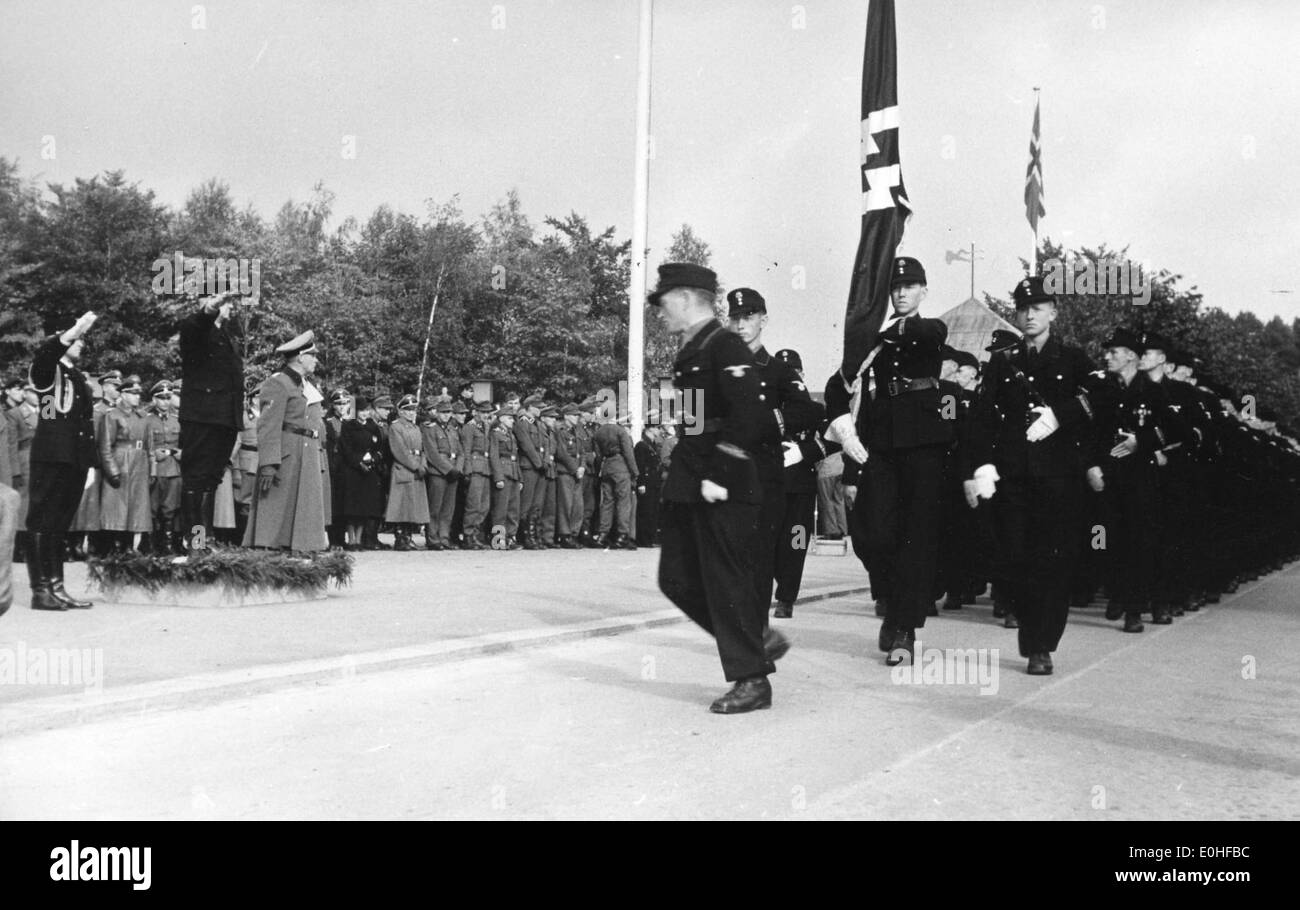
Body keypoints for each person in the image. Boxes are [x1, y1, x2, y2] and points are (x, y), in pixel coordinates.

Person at [649, 262, 785, 714]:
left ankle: (752, 679)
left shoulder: (724, 344)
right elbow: (693, 420)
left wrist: (718, 475)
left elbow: (751, 415)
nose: (661, 311)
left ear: (686, 298)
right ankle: (757, 639)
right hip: (691, 472)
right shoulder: (693, 348)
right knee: (675, 578)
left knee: (724, 580)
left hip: (722, 479)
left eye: (665, 301)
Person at [963, 277, 1097, 675]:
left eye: (1038, 307)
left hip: (1058, 479)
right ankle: (1030, 629)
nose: (1030, 314)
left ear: (1053, 312)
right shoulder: (1004, 363)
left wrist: (1061, 414)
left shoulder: (1073, 359)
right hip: (1014, 477)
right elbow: (982, 419)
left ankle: (1041, 645)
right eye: (1023, 308)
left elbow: (1102, 399)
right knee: (1013, 558)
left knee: (1052, 563)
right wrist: (981, 464)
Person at [824, 257, 954, 665]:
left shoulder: (929, 330)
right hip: (880, 444)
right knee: (870, 532)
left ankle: (903, 628)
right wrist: (845, 431)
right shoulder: (874, 344)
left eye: (910, 286)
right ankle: (888, 595)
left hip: (923, 445)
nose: (900, 293)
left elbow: (924, 332)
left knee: (915, 538)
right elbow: (837, 386)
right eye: (895, 287)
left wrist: (873, 333)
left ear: (923, 292)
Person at [725, 289, 825, 621]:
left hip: (767, 476)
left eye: (748, 318)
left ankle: (756, 626)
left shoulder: (779, 372)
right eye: (735, 318)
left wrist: (770, 422)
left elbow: (806, 412)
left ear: (762, 321)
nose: (741, 325)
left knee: (763, 552)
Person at [1085, 327, 1186, 633]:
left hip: (1141, 478)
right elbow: (1089, 433)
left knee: (1139, 541)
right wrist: (1091, 466)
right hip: (1107, 476)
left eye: (1113, 352)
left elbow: (1178, 431)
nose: (1107, 357)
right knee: (1107, 538)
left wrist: (1140, 441)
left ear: (1130, 355)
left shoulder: (1154, 392)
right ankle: (1116, 592)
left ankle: (1134, 609)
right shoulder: (1100, 390)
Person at [25, 311, 100, 610]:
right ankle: (41, 590)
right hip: (51, 455)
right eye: (77, 339)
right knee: (42, 521)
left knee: (59, 523)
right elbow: (45, 352)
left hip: (73, 457)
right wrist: (73, 330)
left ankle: (57, 587)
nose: (81, 344)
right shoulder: (46, 368)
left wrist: (89, 463)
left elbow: (85, 421)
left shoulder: (76, 375)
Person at [243, 331, 328, 552]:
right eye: (313, 355)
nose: (316, 360)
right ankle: (271, 551)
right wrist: (269, 463)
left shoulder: (304, 384)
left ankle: (300, 550)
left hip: (306, 452)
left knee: (303, 508)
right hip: (287, 454)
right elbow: (268, 426)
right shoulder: (278, 383)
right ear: (300, 357)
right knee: (277, 510)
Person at [179, 292, 245, 547]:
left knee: (211, 480)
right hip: (202, 418)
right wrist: (208, 309)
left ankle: (206, 538)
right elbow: (194, 326)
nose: (230, 309)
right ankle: (195, 541)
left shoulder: (226, 337)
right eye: (226, 304)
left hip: (224, 418)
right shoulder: (196, 331)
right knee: (196, 480)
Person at [769, 348, 828, 618]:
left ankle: (786, 597)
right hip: (768, 485)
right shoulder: (765, 408)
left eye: (793, 372)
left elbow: (833, 439)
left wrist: (803, 452)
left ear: (802, 375)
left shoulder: (816, 410)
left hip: (801, 488)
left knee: (796, 542)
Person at [98, 377, 154, 552]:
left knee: (136, 507)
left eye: (139, 394)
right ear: (123, 394)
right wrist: (112, 471)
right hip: (120, 461)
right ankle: (115, 546)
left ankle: (129, 544)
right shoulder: (112, 415)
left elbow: (150, 446)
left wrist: (153, 471)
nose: (137, 397)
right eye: (133, 393)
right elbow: (105, 446)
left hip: (139, 463)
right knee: (117, 507)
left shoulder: (143, 417)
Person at [338, 395, 387, 549]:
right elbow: (346, 448)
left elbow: (379, 447)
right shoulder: (348, 425)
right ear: (355, 411)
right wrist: (359, 462)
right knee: (352, 508)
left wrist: (373, 460)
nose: (365, 413)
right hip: (353, 471)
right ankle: (351, 539)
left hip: (369, 471)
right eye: (361, 411)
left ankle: (359, 539)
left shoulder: (372, 425)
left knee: (365, 508)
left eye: (367, 410)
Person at [385, 394, 431, 550]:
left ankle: (409, 536)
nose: (412, 413)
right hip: (404, 469)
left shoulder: (416, 427)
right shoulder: (396, 427)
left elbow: (422, 449)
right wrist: (415, 465)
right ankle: (400, 537)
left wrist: (423, 465)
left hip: (417, 469)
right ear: (401, 412)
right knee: (402, 506)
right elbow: (400, 451)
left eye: (413, 410)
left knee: (414, 507)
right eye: (408, 410)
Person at [144, 380, 183, 553]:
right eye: (161, 398)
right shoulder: (147, 420)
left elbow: (184, 444)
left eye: (168, 398)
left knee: (170, 509)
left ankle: (167, 544)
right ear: (154, 399)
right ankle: (150, 544)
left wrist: (178, 452)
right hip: (156, 468)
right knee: (152, 508)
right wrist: (154, 455)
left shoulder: (177, 420)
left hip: (174, 468)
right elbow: (145, 445)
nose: (165, 402)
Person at [422, 398, 462, 550]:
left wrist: (457, 469)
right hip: (438, 473)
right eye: (443, 412)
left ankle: (444, 538)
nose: (446, 415)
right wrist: (448, 469)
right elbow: (432, 453)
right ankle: (433, 538)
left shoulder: (453, 429)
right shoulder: (430, 428)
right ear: (437, 413)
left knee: (448, 509)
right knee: (435, 508)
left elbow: (460, 452)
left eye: (448, 412)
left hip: (453, 471)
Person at [459, 401, 495, 550]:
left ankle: (475, 533)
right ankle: (468, 535)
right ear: (476, 412)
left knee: (484, 506)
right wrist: (467, 470)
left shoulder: (486, 427)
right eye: (483, 412)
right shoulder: (469, 427)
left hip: (485, 468)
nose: (486, 415)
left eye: (488, 413)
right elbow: (466, 450)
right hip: (475, 468)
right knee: (473, 505)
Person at [489, 402, 524, 550]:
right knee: (500, 509)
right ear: (502, 418)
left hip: (513, 472)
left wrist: (520, 477)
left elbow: (515, 457)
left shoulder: (511, 434)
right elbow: (494, 456)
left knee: (513, 509)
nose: (513, 421)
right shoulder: (495, 434)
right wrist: (498, 477)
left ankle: (511, 537)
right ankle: (498, 539)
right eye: (510, 418)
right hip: (503, 472)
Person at [513, 395, 547, 549]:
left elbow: (545, 445)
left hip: (540, 467)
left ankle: (533, 534)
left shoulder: (538, 424)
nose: (540, 410)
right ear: (529, 407)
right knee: (526, 504)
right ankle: (524, 535)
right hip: (529, 466)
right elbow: (526, 445)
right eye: (537, 407)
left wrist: (545, 463)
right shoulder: (522, 424)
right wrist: (539, 463)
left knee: (537, 504)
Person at [553, 403, 585, 548]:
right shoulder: (560, 431)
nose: (577, 417)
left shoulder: (577, 430)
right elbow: (562, 453)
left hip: (577, 472)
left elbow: (582, 451)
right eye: (574, 415)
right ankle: (565, 534)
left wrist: (583, 466)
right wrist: (575, 469)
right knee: (566, 504)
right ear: (566, 416)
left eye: (578, 415)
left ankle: (573, 533)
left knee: (578, 505)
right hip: (566, 472)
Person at [324, 388, 352, 548]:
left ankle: (342, 538)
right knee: (334, 505)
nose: (342, 407)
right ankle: (334, 539)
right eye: (338, 404)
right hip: (334, 467)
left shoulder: (350, 422)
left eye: (345, 403)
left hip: (347, 468)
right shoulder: (328, 422)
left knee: (344, 505)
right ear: (333, 406)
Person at [634, 422, 663, 546]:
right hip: (646, 482)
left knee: (652, 510)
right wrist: (641, 483)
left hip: (654, 482)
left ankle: (649, 538)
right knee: (645, 510)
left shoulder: (651, 444)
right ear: (650, 429)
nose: (659, 430)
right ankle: (643, 539)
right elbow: (640, 465)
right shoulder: (641, 445)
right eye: (657, 427)